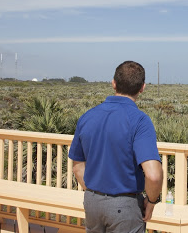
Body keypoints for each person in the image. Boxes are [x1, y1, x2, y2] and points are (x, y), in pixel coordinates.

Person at [69, 61, 163, 233]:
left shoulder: (87, 117)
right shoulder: (140, 121)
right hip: (125, 206)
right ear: (142, 87)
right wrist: (151, 202)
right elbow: (154, 175)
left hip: (92, 202)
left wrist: (94, 193)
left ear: (113, 83)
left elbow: (77, 167)